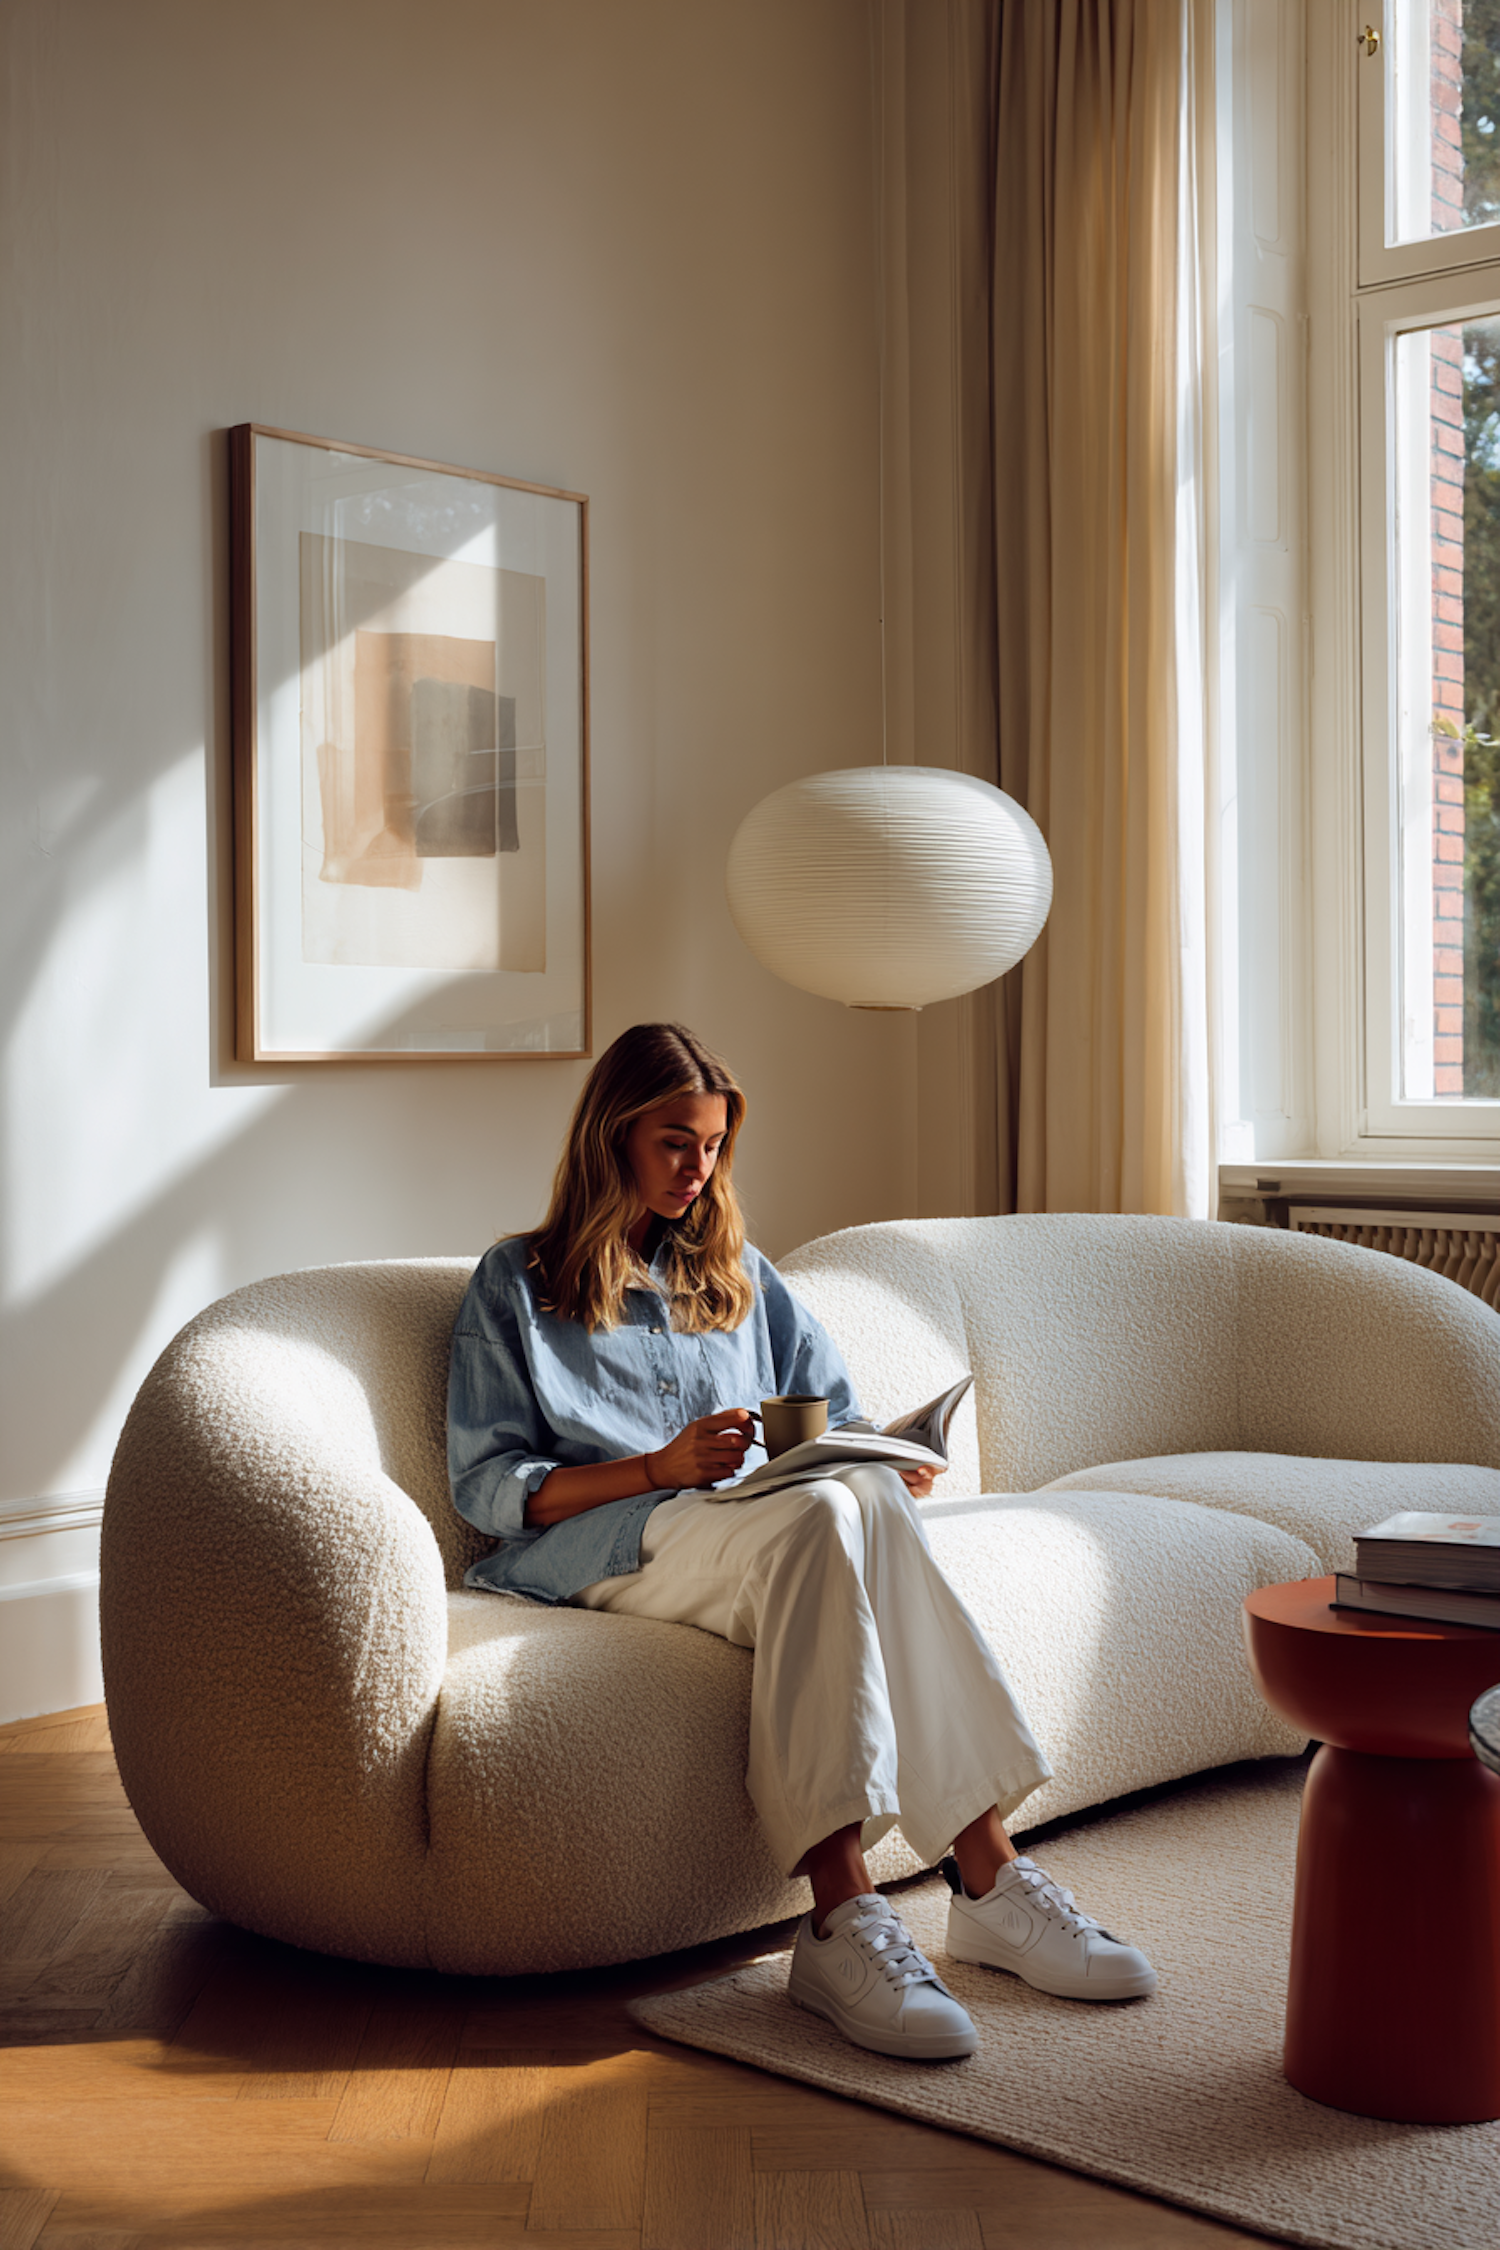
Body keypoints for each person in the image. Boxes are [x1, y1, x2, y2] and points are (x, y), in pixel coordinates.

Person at [448, 1022, 1156, 2061]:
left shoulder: (739, 1276)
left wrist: (883, 1457)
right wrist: (654, 1468)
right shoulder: (517, 1283)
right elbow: (489, 1487)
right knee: (833, 1512)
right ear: (612, 1138)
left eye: (715, 1145)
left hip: (761, 1531)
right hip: (608, 1545)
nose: (699, 1169)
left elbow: (836, 1411)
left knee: (855, 1500)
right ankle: (849, 1911)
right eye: (675, 1142)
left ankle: (984, 1877)